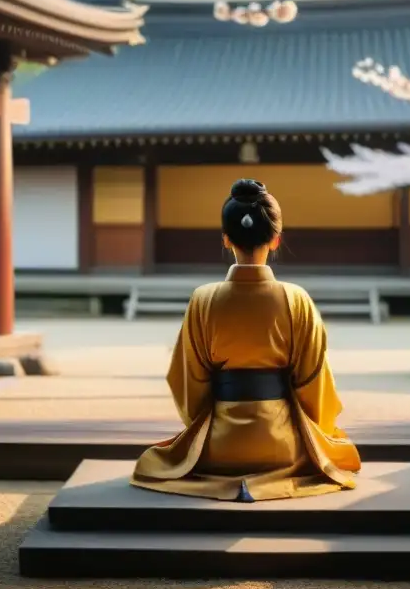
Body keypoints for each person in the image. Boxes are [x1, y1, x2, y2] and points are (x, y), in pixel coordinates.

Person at [131, 179, 362, 502]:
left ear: (226, 240)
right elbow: (314, 385)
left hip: (217, 449)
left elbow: (188, 383)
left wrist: (204, 426)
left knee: (157, 460)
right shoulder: (296, 299)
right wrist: (319, 432)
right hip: (284, 449)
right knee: (335, 446)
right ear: (276, 240)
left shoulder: (203, 299)